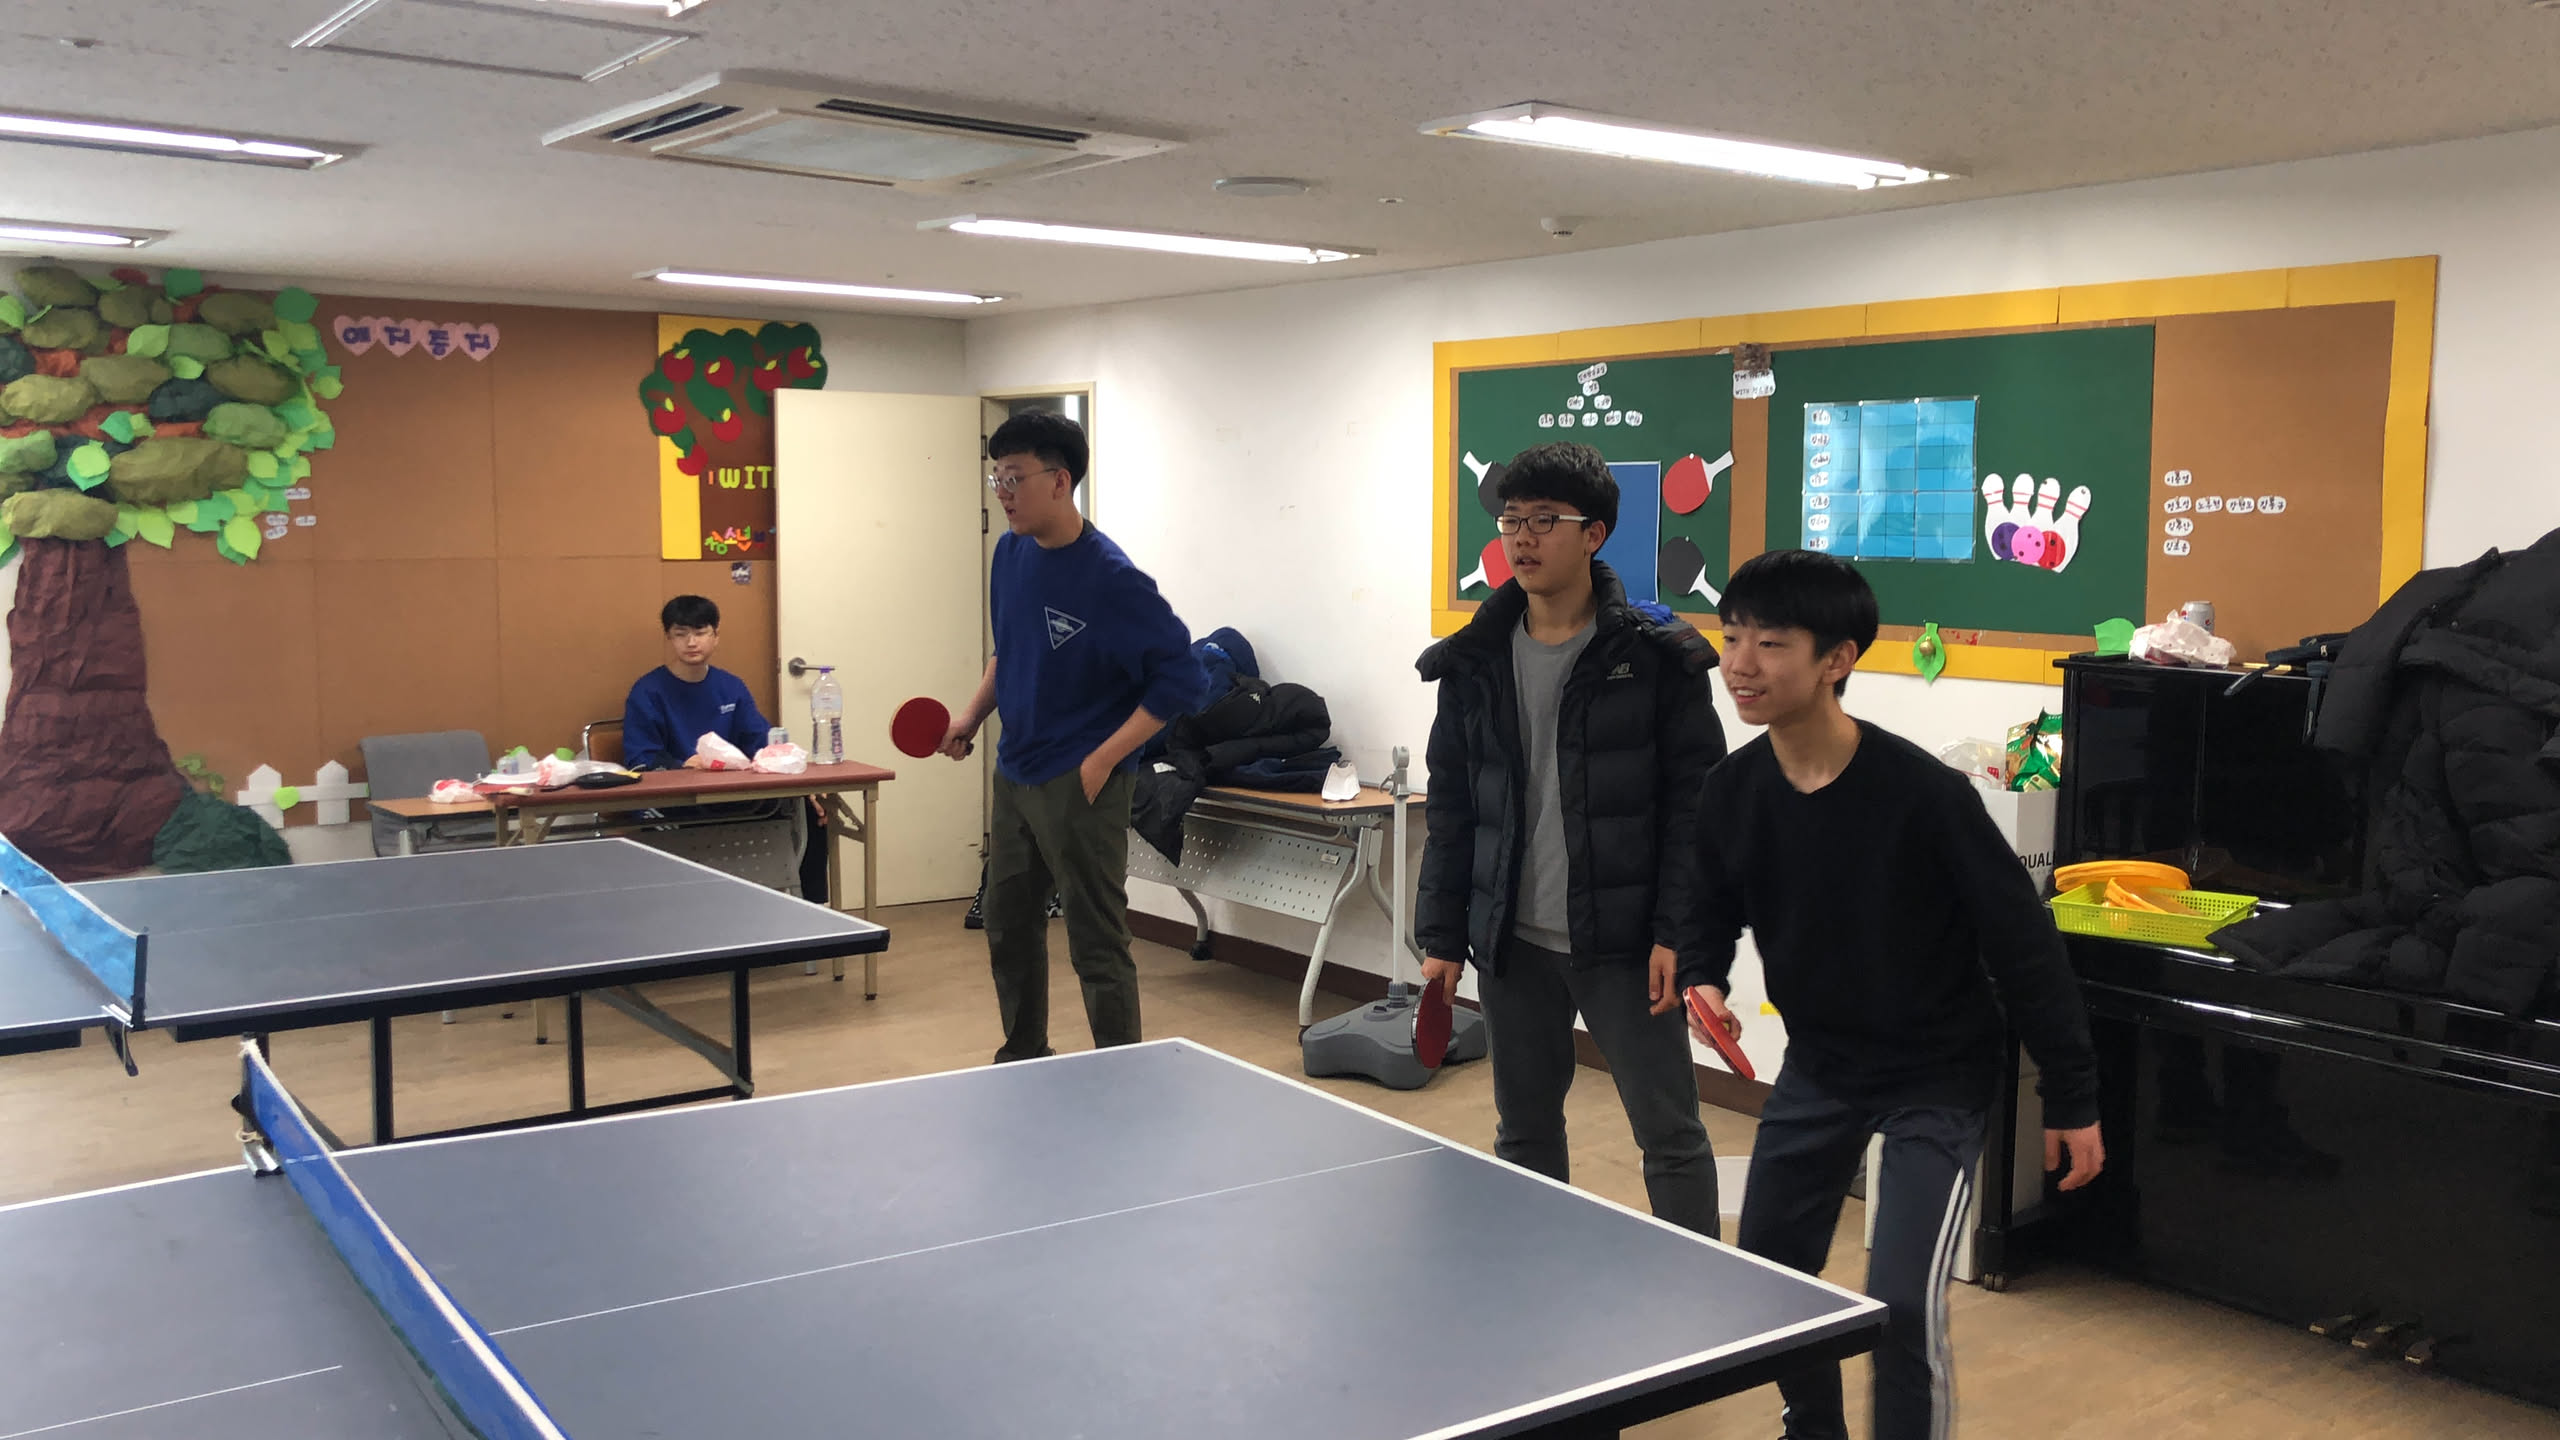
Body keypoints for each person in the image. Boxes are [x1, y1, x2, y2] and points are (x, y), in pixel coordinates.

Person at [1672, 548, 2105, 1440]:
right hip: (1821, 1066)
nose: (1740, 664)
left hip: (1936, 1078)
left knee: (1901, 1305)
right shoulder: (1733, 791)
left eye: (1771, 643)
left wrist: (2072, 1095)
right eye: (1732, 636)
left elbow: (2024, 948)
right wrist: (1703, 972)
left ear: (1837, 659)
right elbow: (1707, 905)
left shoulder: (1925, 796)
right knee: (1773, 1280)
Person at [1414, 440, 1727, 1235]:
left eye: (1544, 520)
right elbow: (1453, 805)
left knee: (1670, 1137)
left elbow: (1696, 812)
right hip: (1511, 942)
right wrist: (1442, 936)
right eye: (1511, 520)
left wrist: (1678, 934)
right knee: (1523, 1132)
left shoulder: (1655, 657)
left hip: (1625, 946)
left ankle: (1702, 1292)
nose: (1522, 537)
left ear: (1594, 534)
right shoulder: (1474, 660)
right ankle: (1532, 1276)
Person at [937, 411, 1207, 1061]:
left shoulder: (1111, 578)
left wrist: (1104, 759)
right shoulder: (1010, 553)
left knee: (1095, 940)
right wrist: (971, 716)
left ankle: (1121, 1070)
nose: (1002, 492)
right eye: (995, 477)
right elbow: (1009, 651)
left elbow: (1184, 678)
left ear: (1060, 482)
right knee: (1007, 924)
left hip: (1082, 780)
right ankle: (1023, 1054)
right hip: (1015, 772)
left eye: (1014, 477)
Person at [622, 595, 773, 771]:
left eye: (700, 633)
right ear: (669, 637)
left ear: (716, 635)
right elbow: (640, 757)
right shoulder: (647, 692)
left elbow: (760, 743)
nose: (691, 643)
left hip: (729, 782)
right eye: (680, 634)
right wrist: (681, 765)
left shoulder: (732, 687)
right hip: (675, 785)